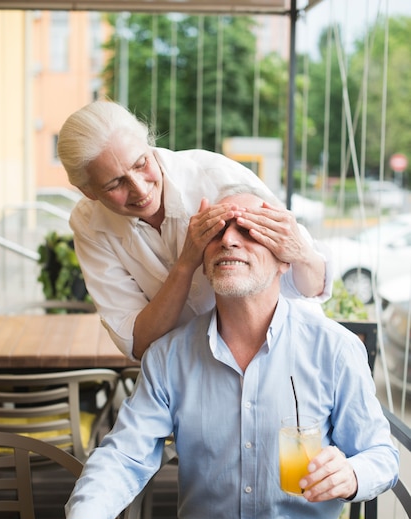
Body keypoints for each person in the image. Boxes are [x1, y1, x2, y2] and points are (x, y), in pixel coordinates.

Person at [34, 186, 398, 519]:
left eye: (249, 230)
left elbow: (382, 454)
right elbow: (124, 455)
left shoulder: (334, 348)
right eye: (217, 231)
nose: (228, 239)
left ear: (284, 260)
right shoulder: (169, 356)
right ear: (204, 262)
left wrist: (351, 473)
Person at [58, 99, 333, 359]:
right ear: (88, 192)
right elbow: (138, 343)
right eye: (114, 184)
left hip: (287, 350)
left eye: (141, 163)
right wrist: (186, 263)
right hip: (189, 369)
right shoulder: (89, 224)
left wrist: (301, 253)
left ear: (149, 145)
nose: (140, 189)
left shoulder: (218, 179)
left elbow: (310, 286)